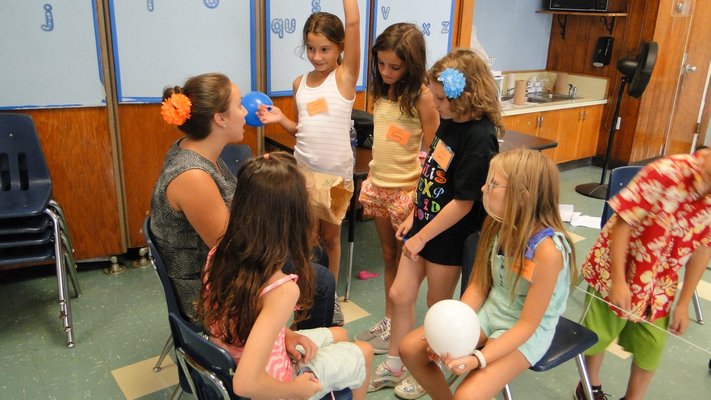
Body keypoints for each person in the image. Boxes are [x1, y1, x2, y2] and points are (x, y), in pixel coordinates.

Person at [150, 73, 335, 329]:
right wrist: (285, 196)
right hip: (211, 290)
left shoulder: (197, 148)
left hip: (226, 262)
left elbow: (233, 211)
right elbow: (233, 251)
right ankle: (292, 354)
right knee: (321, 282)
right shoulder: (193, 177)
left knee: (316, 254)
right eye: (239, 104)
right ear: (220, 118)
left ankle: (292, 333)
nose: (246, 110)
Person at [368, 48, 502, 397]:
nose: (434, 104)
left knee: (438, 310)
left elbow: (462, 202)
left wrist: (421, 236)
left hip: (448, 236)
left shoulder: (480, 135)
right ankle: (397, 363)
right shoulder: (449, 122)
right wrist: (414, 217)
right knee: (399, 294)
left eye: (440, 98)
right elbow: (432, 173)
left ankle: (430, 369)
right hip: (424, 226)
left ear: (465, 95)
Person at [400, 148, 576, 400]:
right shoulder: (496, 223)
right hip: (491, 312)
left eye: (493, 184)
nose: (483, 189)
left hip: (527, 330)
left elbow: (527, 325)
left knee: (468, 395)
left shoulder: (549, 252)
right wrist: (452, 329)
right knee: (410, 348)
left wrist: (477, 358)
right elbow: (479, 286)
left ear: (522, 196)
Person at [198, 152, 373, 400]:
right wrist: (295, 390)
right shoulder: (281, 289)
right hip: (276, 386)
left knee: (340, 335)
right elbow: (245, 384)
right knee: (364, 352)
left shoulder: (219, 251)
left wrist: (287, 334)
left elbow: (243, 318)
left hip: (235, 351)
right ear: (292, 218)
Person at [575, 147, 711, 400]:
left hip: (659, 283)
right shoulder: (665, 173)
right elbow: (623, 222)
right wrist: (618, 281)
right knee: (598, 334)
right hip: (617, 267)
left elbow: (703, 248)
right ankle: (589, 388)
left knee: (651, 345)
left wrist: (684, 302)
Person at [257, 0, 360, 325]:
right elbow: (303, 129)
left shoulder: (344, 77)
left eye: (325, 49)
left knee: (330, 239)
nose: (317, 56)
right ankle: (305, 293)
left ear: (340, 48)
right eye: (312, 49)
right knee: (304, 240)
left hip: (334, 177)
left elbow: (354, 24)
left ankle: (327, 298)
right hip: (303, 174)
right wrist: (281, 120)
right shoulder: (300, 84)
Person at [354, 22, 439, 354]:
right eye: (381, 63)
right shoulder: (382, 90)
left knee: (407, 267)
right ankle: (390, 321)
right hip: (379, 186)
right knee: (388, 257)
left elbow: (433, 153)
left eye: (394, 66)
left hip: (407, 191)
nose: (386, 72)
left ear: (412, 64)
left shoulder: (423, 96)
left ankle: (405, 326)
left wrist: (420, 198)